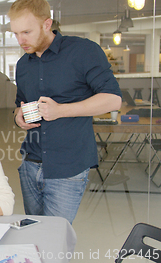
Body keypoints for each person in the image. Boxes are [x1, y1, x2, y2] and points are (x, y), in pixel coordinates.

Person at [8, 0, 122, 223]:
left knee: (54, 241)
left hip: (68, 167)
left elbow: (113, 100)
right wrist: (17, 117)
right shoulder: (23, 64)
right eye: (15, 33)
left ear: (46, 23)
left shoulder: (84, 51)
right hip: (31, 163)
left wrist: (61, 110)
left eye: (26, 32)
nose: (20, 40)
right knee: (33, 235)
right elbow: (19, 104)